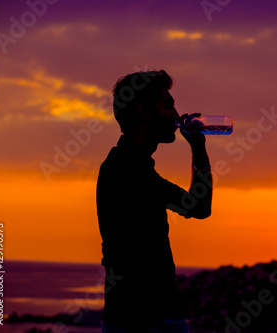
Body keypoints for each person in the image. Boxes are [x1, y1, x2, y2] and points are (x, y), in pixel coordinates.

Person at [96, 70, 213, 333]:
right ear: (145, 112)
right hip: (144, 320)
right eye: (168, 105)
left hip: (134, 316)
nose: (175, 114)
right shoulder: (128, 170)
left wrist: (198, 148)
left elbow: (199, 207)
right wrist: (198, 149)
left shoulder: (130, 166)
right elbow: (199, 207)